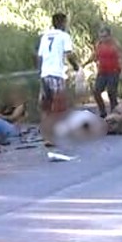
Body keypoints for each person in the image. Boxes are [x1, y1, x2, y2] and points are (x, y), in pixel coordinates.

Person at [37, 12, 81, 147]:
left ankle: (47, 136)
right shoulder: (64, 36)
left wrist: (41, 71)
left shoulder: (45, 36)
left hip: (45, 74)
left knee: (46, 107)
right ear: (63, 23)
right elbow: (68, 53)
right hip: (57, 73)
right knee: (58, 105)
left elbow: (39, 56)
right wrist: (76, 66)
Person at [86, 26, 122, 118]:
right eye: (101, 36)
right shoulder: (99, 44)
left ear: (109, 36)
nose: (103, 39)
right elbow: (94, 56)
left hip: (114, 71)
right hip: (102, 71)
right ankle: (102, 111)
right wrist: (85, 64)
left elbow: (121, 58)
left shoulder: (115, 44)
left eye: (105, 36)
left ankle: (114, 112)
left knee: (111, 92)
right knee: (96, 91)